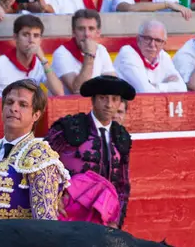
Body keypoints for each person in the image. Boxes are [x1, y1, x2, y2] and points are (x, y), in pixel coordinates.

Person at [0, 79, 69, 222]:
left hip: (20, 242)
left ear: (36, 115)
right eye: (9, 102)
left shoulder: (41, 157)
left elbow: (45, 222)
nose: (14, 108)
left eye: (23, 104)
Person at [46, 76, 134, 229]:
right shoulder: (69, 127)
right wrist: (52, 197)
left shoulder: (122, 136)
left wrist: (116, 221)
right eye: (103, 98)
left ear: (121, 102)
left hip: (102, 217)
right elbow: (42, 161)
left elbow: (122, 184)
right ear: (93, 100)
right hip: (68, 214)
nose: (109, 105)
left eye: (114, 99)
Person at [0, 14, 63, 98]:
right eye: (26, 35)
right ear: (15, 37)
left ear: (41, 40)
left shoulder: (41, 64)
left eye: (36, 36)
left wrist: (43, 59)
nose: (31, 40)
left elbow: (59, 93)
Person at [52, 9, 116, 95]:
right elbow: (78, 91)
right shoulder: (62, 53)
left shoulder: (101, 50)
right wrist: (89, 55)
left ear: (98, 33)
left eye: (91, 29)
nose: (86, 34)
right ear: (73, 32)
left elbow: (113, 84)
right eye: (81, 29)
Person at [113, 20, 187, 93]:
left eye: (158, 40)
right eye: (147, 38)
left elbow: (182, 88)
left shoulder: (164, 56)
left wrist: (157, 86)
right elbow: (145, 91)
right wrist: (168, 85)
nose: (152, 44)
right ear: (138, 39)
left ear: (164, 43)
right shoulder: (127, 53)